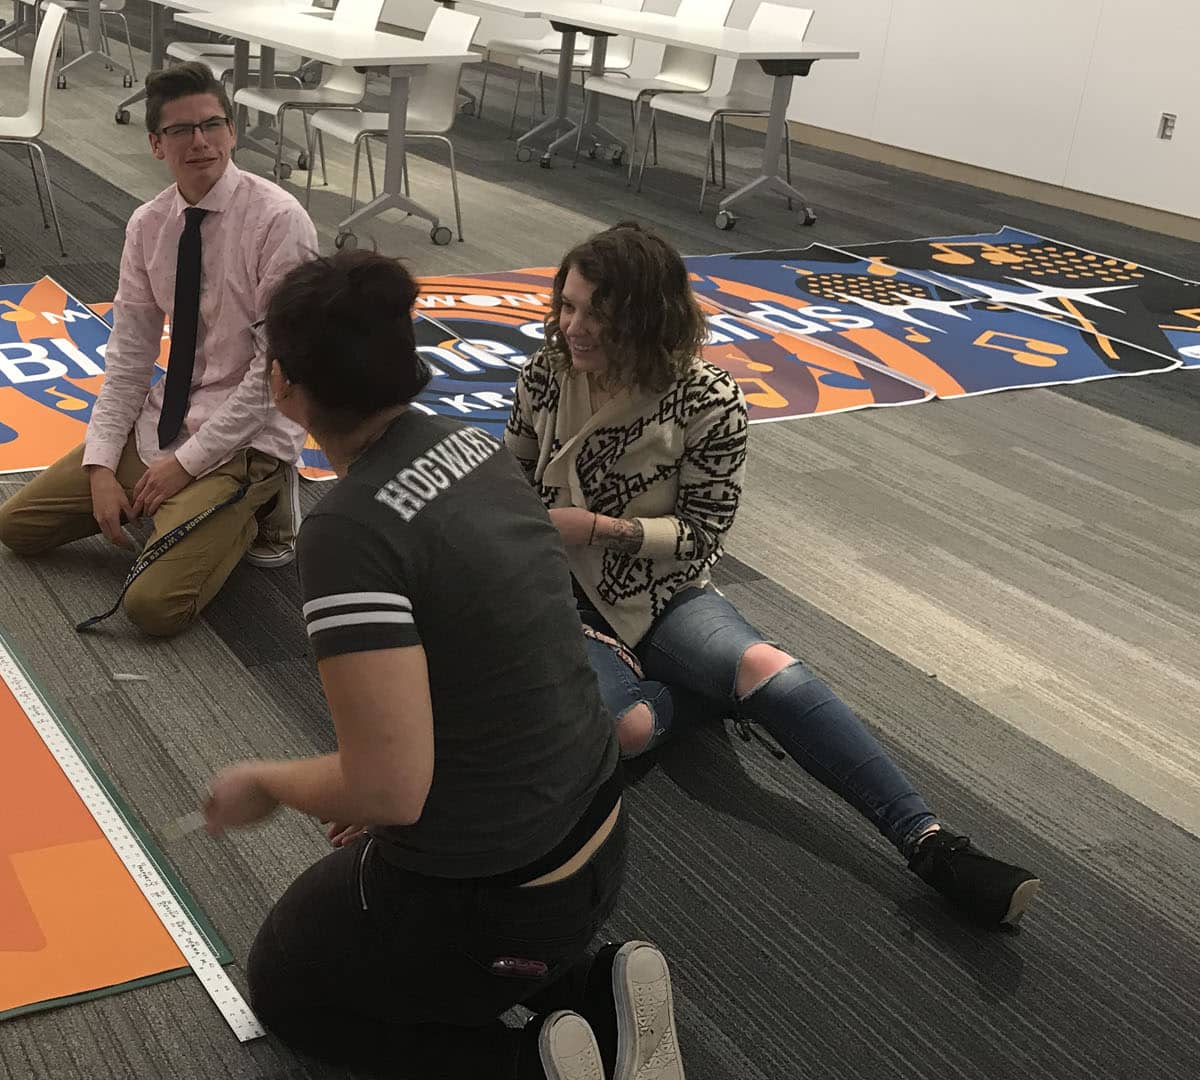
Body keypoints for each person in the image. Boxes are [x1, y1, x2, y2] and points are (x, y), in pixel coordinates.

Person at [201, 250, 686, 1080]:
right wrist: (387, 787)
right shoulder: (472, 449)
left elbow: (390, 790)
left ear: (284, 387)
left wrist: (270, 782)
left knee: (287, 989)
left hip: (501, 900)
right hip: (597, 835)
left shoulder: (348, 531)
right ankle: (598, 990)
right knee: (370, 894)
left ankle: (529, 1059)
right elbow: (489, 659)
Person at [506, 222, 1041, 929]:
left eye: (596, 314)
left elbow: (702, 535)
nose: (574, 327)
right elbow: (511, 476)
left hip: (658, 591)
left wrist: (602, 529)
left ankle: (931, 842)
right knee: (627, 730)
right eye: (567, 306)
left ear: (646, 318)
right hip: (561, 597)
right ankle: (700, 695)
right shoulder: (547, 374)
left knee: (768, 667)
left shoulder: (708, 398)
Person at [0, 62, 315, 637]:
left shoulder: (278, 221)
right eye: (180, 131)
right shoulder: (148, 225)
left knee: (153, 608)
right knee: (17, 527)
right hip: (169, 418)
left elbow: (274, 376)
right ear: (154, 144)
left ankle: (264, 499)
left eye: (213, 125)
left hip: (247, 433)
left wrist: (181, 469)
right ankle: (179, 511)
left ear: (233, 133)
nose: (200, 142)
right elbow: (129, 356)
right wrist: (99, 467)